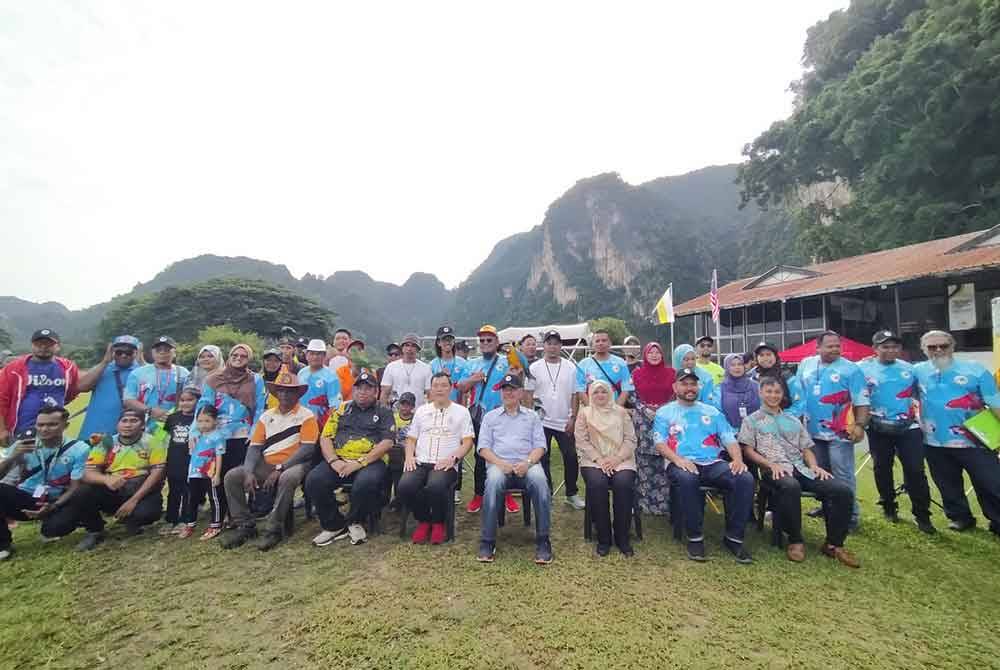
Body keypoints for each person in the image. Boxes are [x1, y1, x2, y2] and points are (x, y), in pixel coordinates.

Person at [739, 377, 860, 567]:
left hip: (802, 469)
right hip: (775, 470)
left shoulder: (793, 420)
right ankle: (795, 540)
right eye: (768, 391)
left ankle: (834, 543)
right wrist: (770, 464)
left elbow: (806, 449)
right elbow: (748, 450)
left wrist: (814, 466)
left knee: (842, 490)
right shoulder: (751, 420)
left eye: (777, 392)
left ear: (783, 395)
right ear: (760, 393)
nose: (773, 395)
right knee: (790, 486)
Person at [653, 368, 754, 563]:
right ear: (675, 387)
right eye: (684, 384)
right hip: (680, 462)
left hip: (712, 462)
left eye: (693, 384)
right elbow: (659, 443)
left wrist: (737, 460)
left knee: (744, 478)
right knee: (688, 479)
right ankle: (695, 537)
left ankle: (734, 537)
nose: (689, 388)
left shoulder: (712, 411)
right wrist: (678, 460)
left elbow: (728, 438)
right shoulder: (665, 412)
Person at [220, 371, 319, 551]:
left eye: (290, 391)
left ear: (297, 394)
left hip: (295, 463)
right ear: (276, 393)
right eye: (281, 391)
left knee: (287, 478)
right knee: (232, 476)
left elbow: (307, 448)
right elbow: (255, 447)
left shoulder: (306, 415)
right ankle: (245, 525)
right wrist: (249, 471)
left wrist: (281, 468)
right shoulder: (266, 416)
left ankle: (274, 528)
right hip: (266, 462)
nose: (285, 395)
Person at [914, 330, 1000, 535]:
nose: (938, 350)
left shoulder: (976, 370)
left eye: (943, 346)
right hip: (934, 441)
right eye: (932, 347)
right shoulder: (916, 371)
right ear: (923, 349)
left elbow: (995, 402)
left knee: (991, 483)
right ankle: (960, 518)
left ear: (953, 346)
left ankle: (997, 520)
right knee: (947, 484)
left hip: (976, 440)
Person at [307, 370, 394, 548]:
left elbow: (387, 442)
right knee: (314, 480)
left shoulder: (384, 411)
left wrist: (359, 463)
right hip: (339, 460)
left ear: (376, 391)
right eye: (359, 388)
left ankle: (355, 521)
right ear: (353, 391)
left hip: (370, 461)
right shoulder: (341, 409)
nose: (362, 392)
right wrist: (333, 461)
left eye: (368, 388)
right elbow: (325, 437)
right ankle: (334, 524)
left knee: (365, 484)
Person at [859, 330, 934, 533]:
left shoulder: (911, 370)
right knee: (882, 468)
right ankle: (889, 505)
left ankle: (922, 515)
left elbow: (924, 394)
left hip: (908, 427)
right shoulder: (861, 368)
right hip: (878, 427)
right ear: (875, 349)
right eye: (885, 346)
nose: (891, 350)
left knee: (915, 470)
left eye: (895, 346)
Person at [475, 373, 552, 565]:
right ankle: (487, 541)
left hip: (527, 464)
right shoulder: (490, 417)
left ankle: (543, 541)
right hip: (499, 465)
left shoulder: (532, 416)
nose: (508, 393)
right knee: (492, 482)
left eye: (512, 389)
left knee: (541, 482)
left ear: (520, 393)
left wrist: (527, 463)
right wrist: (501, 464)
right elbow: (483, 448)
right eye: (505, 389)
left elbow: (540, 446)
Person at [796, 331, 870, 529]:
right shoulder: (806, 364)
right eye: (830, 346)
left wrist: (860, 425)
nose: (835, 349)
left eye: (837, 345)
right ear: (818, 347)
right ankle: (826, 507)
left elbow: (862, 400)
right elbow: (798, 395)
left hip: (841, 431)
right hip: (811, 431)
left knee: (843, 474)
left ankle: (850, 516)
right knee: (821, 473)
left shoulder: (851, 369)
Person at [0, 406, 91, 560]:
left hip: (56, 501)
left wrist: (53, 507)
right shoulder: (23, 444)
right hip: (26, 499)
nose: (44, 429)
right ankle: (3, 545)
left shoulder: (79, 449)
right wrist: (13, 456)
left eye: (52, 424)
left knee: (54, 529)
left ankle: (54, 525)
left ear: (65, 426)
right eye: (40, 425)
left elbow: (75, 487)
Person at [73, 409, 167, 550]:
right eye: (124, 421)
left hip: (140, 490)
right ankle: (95, 530)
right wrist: (105, 479)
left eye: (133, 421)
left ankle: (132, 521)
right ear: (118, 424)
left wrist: (133, 500)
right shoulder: (106, 442)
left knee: (147, 514)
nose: (128, 425)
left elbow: (157, 473)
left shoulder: (153, 442)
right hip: (113, 489)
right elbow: (87, 473)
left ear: (142, 425)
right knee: (81, 492)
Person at [398, 372, 475, 544]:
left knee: (435, 485)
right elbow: (411, 438)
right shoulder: (421, 411)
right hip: (421, 461)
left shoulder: (462, 412)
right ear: (430, 389)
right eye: (436, 386)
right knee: (405, 487)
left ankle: (439, 522)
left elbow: (468, 441)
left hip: (445, 464)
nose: (439, 389)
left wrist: (454, 458)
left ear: (450, 388)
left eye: (443, 385)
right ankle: (424, 520)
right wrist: (409, 456)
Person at [196, 344, 267, 523]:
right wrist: (197, 431)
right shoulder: (213, 379)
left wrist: (255, 430)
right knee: (220, 474)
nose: (238, 358)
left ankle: (245, 511)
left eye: (243, 356)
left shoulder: (255, 379)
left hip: (244, 433)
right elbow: (204, 406)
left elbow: (259, 406)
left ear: (249, 359)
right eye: (235, 354)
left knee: (244, 473)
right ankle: (225, 513)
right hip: (219, 434)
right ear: (229, 356)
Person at [456, 325, 515, 514]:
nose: (485, 343)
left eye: (489, 340)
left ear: (497, 342)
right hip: (479, 416)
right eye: (482, 340)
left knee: (506, 453)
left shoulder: (507, 361)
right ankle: (479, 494)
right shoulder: (471, 364)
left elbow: (517, 382)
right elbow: (462, 387)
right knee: (480, 456)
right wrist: (474, 379)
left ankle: (506, 493)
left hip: (503, 415)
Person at [575, 379, 637, 557]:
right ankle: (604, 538)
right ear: (590, 395)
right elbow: (581, 440)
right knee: (597, 484)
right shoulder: (585, 413)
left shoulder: (621, 413)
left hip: (621, 458)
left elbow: (630, 439)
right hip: (593, 460)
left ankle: (622, 537)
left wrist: (616, 459)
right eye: (596, 392)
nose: (600, 395)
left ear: (610, 393)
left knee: (623, 483)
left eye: (604, 391)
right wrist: (600, 460)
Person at [525, 329, 585, 510]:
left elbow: (575, 394)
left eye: (556, 343)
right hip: (541, 421)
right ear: (544, 346)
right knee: (543, 457)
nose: (552, 347)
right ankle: (546, 493)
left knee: (571, 456)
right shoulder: (534, 367)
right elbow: (528, 394)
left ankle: (571, 493)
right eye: (549, 343)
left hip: (564, 420)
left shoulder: (570, 367)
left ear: (561, 346)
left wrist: (573, 417)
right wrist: (530, 416)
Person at [0, 329, 80, 446]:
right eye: (39, 344)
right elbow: (1, 399)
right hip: (22, 430)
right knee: (21, 463)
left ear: (57, 347)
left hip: (55, 431)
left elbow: (71, 392)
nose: (43, 347)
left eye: (49, 344)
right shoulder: (14, 368)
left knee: (52, 462)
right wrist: (2, 430)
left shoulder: (68, 368)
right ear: (32, 345)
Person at [631, 342, 675, 515]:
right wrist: (646, 409)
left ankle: (664, 503)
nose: (655, 355)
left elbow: (675, 394)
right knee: (643, 460)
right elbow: (632, 395)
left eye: (658, 352)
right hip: (643, 420)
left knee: (665, 457)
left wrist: (663, 410)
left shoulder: (671, 373)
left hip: (666, 419)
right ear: (645, 355)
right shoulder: (637, 373)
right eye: (651, 352)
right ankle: (643, 502)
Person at [123, 335, 189, 437]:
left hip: (175, 427)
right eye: (158, 350)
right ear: (152, 353)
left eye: (167, 349)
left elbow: (190, 398)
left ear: (174, 353)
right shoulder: (138, 373)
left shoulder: (183, 373)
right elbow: (128, 399)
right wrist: (150, 411)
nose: (162, 352)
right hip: (144, 427)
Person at [77, 335, 142, 439]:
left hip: (128, 432)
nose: (124, 355)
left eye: (129, 352)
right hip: (95, 431)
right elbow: (81, 387)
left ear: (136, 353)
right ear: (112, 352)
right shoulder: (103, 369)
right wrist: (105, 361)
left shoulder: (142, 372)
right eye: (119, 352)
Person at [179, 405, 226, 540]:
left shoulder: (218, 437)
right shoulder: (196, 437)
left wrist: (217, 475)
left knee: (214, 498)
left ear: (215, 421)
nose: (203, 424)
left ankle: (216, 525)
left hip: (209, 473)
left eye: (207, 421)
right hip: (194, 473)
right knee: (192, 498)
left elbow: (219, 456)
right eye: (200, 421)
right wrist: (189, 473)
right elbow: (193, 456)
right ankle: (190, 523)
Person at [160, 387, 198, 535]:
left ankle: (185, 519)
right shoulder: (173, 418)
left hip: (191, 459)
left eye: (190, 400)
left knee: (188, 490)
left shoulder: (198, 419)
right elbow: (167, 437)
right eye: (182, 400)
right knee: (174, 490)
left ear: (197, 401)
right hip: (174, 458)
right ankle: (171, 519)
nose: (186, 403)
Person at [576, 330, 633, 407]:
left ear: (610, 343)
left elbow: (626, 388)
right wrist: (592, 409)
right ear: (592, 345)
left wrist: (616, 408)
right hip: (592, 411)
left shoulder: (621, 363)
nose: (600, 343)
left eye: (604, 340)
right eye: (597, 341)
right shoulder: (583, 364)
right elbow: (580, 390)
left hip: (614, 409)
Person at [748, 341, 804, 417]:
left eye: (768, 354)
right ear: (757, 358)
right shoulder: (753, 378)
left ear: (775, 356)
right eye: (761, 355)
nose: (765, 358)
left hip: (784, 424)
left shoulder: (787, 377)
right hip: (759, 424)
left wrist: (783, 417)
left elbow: (800, 403)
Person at [297, 339, 342, 427]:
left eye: (318, 354)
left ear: (324, 356)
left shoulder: (331, 376)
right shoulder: (301, 373)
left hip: (321, 421)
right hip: (301, 420)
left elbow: (335, 404)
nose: (315, 357)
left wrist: (328, 426)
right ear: (306, 355)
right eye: (312, 353)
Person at [380, 333, 432, 408]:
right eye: (407, 345)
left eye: (413, 346)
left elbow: (430, 394)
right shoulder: (391, 367)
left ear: (418, 349)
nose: (409, 349)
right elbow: (385, 393)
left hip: (418, 413)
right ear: (402, 348)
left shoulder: (426, 368)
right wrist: (383, 413)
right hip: (396, 412)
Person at [716, 353, 760, 434]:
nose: (737, 367)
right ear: (726, 367)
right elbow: (718, 415)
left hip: (756, 433)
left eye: (740, 364)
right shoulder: (719, 389)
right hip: (731, 435)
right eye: (732, 365)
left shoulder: (756, 386)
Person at [388, 392, 417, 509]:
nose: (405, 407)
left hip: (410, 453)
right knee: (396, 476)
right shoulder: (392, 417)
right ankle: (397, 499)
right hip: (394, 454)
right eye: (402, 404)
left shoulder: (416, 419)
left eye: (408, 405)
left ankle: (405, 499)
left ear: (413, 406)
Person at [430, 326, 467, 403]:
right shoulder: (432, 365)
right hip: (438, 407)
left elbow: (464, 392)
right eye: (444, 339)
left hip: (457, 408)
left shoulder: (463, 363)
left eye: (449, 339)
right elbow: (431, 391)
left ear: (453, 342)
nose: (447, 342)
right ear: (438, 343)